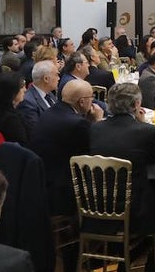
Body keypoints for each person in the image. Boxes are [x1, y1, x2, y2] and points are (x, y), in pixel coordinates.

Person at [89, 83, 155, 232]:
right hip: (134, 205)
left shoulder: (95, 128)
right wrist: (142, 124)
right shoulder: (147, 130)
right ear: (136, 104)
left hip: (97, 201)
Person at [29, 78, 102, 215]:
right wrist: (97, 121)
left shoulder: (50, 112)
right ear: (82, 101)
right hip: (63, 189)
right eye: (91, 98)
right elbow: (97, 148)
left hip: (43, 179)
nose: (93, 101)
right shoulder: (77, 124)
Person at [17, 59, 58, 137]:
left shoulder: (49, 93)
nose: (58, 78)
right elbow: (35, 131)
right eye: (56, 75)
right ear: (46, 79)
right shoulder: (27, 102)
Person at [0, 71, 30, 145]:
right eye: (22, 87)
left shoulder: (0, 111)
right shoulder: (11, 120)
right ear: (12, 92)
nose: (25, 90)